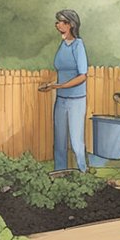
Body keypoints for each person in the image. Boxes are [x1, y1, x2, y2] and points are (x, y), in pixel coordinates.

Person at [39, 9, 88, 172]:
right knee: (59, 141)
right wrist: (52, 85)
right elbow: (63, 74)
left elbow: (82, 76)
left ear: (70, 24)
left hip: (76, 100)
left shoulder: (78, 45)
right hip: (61, 99)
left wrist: (58, 86)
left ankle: (83, 174)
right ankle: (60, 174)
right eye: (57, 21)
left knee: (76, 142)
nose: (57, 24)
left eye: (61, 21)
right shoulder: (62, 45)